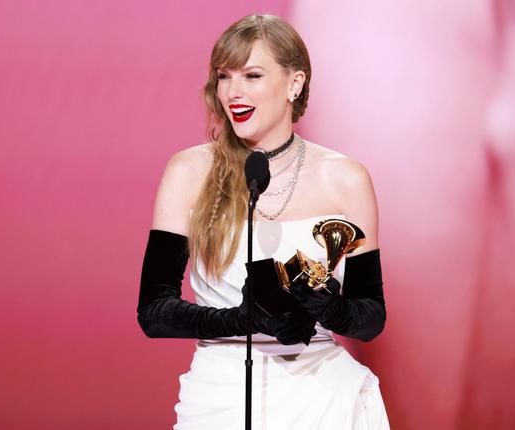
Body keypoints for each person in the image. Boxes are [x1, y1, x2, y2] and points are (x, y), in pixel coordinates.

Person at [137, 13, 391, 429]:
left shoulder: (346, 178)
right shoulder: (188, 172)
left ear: (295, 83)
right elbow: (154, 311)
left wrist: (329, 307)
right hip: (220, 397)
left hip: (324, 399)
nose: (233, 92)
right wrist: (239, 320)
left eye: (252, 75)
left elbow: (371, 317)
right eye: (224, 76)